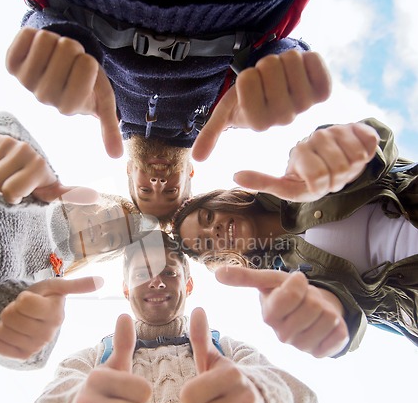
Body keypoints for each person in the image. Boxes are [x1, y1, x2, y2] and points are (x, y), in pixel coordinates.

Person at [6, 0, 331, 222]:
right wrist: (281, 67)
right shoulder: (225, 110)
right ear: (190, 175)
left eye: (145, 190)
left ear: (130, 172)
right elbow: (271, 45)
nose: (159, 183)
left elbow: (45, 13)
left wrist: (52, 38)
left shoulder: (94, 97)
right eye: (172, 190)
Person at [26, 232, 318, 403]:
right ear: (126, 288)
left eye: (169, 272)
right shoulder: (93, 360)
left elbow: (298, 398)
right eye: (142, 273)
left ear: (188, 285)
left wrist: (264, 401)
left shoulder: (227, 351)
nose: (157, 282)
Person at [0, 112, 154, 397]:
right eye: (112, 216)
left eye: (115, 239)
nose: (105, 230)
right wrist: (2, 143)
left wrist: (27, 337)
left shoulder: (53, 285)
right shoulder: (39, 184)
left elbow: (29, 353)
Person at [171, 118, 418, 358]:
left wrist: (344, 150)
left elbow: (376, 143)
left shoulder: (300, 178)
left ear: (219, 201)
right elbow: (343, 315)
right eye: (208, 244)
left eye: (207, 218)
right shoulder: (290, 282)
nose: (214, 230)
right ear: (219, 258)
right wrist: (329, 325)